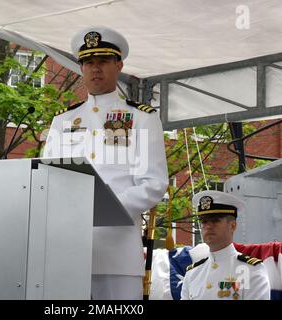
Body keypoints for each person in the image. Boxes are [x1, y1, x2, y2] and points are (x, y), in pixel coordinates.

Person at [43, 26, 168, 299]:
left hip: (117, 256)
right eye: (88, 62)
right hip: (66, 251)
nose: (95, 68)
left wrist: (104, 207)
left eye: (102, 61)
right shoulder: (62, 122)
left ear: (119, 65)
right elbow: (45, 180)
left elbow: (154, 183)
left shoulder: (141, 118)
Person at [181, 190, 271, 300]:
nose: (208, 226)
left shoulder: (252, 269)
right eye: (204, 221)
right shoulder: (193, 273)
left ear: (232, 226)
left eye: (215, 221)